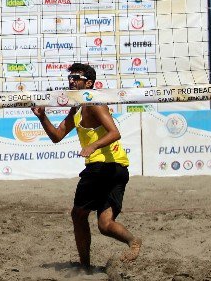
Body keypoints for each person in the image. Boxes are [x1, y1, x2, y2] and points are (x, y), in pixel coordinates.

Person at [31, 62, 141, 269]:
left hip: (102, 167)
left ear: (89, 83)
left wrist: (93, 145)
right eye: (70, 78)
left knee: (78, 214)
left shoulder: (94, 103)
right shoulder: (77, 109)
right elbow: (56, 136)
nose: (71, 81)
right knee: (105, 225)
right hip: (118, 169)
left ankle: (85, 267)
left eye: (76, 78)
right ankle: (133, 242)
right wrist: (43, 117)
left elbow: (115, 133)